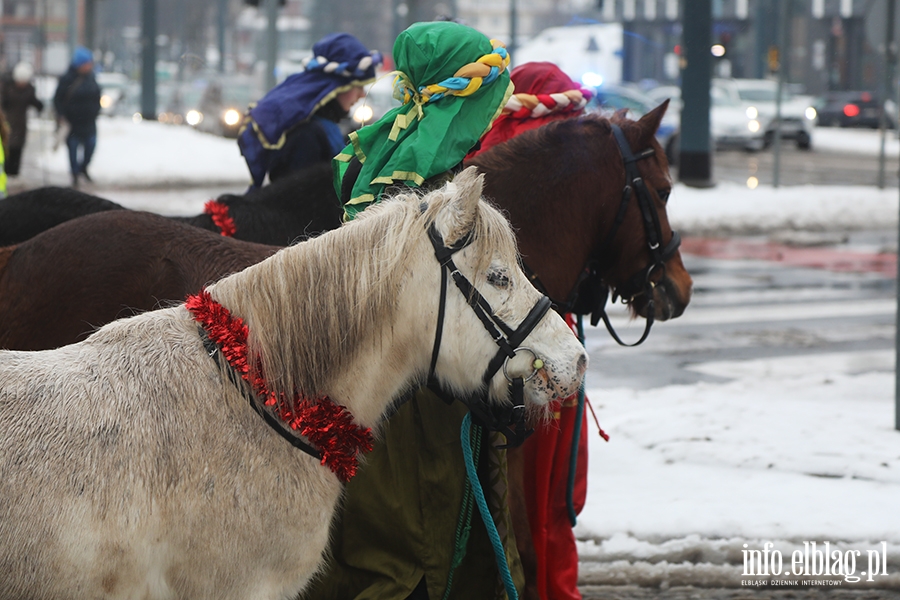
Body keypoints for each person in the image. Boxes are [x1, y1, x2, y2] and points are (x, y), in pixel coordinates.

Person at [305, 21, 515, 600]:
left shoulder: (372, 157)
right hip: (425, 398)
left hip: (367, 380)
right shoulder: (442, 185)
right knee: (418, 543)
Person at [469, 62, 594, 600]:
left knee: (512, 499)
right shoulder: (558, 160)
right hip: (545, 343)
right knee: (547, 502)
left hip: (497, 342)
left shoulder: (490, 150)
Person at [238, 33, 381, 189]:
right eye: (358, 86)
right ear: (338, 85)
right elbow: (302, 201)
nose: (361, 95)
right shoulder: (307, 135)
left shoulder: (322, 126)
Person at [53, 46, 101, 187]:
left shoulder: (91, 78)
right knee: (73, 150)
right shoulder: (67, 79)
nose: (89, 66)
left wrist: (96, 110)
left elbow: (97, 96)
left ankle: (83, 168)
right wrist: (61, 115)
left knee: (90, 146)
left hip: (89, 122)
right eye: (87, 63)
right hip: (72, 122)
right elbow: (58, 99)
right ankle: (74, 174)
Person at [1, 61, 44, 177]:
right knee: (7, 148)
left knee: (17, 148)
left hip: (20, 123)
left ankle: (14, 173)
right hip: (7, 122)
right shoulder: (6, 87)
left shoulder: (29, 89)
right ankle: (6, 172)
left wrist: (39, 105)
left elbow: (33, 101)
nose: (22, 84)